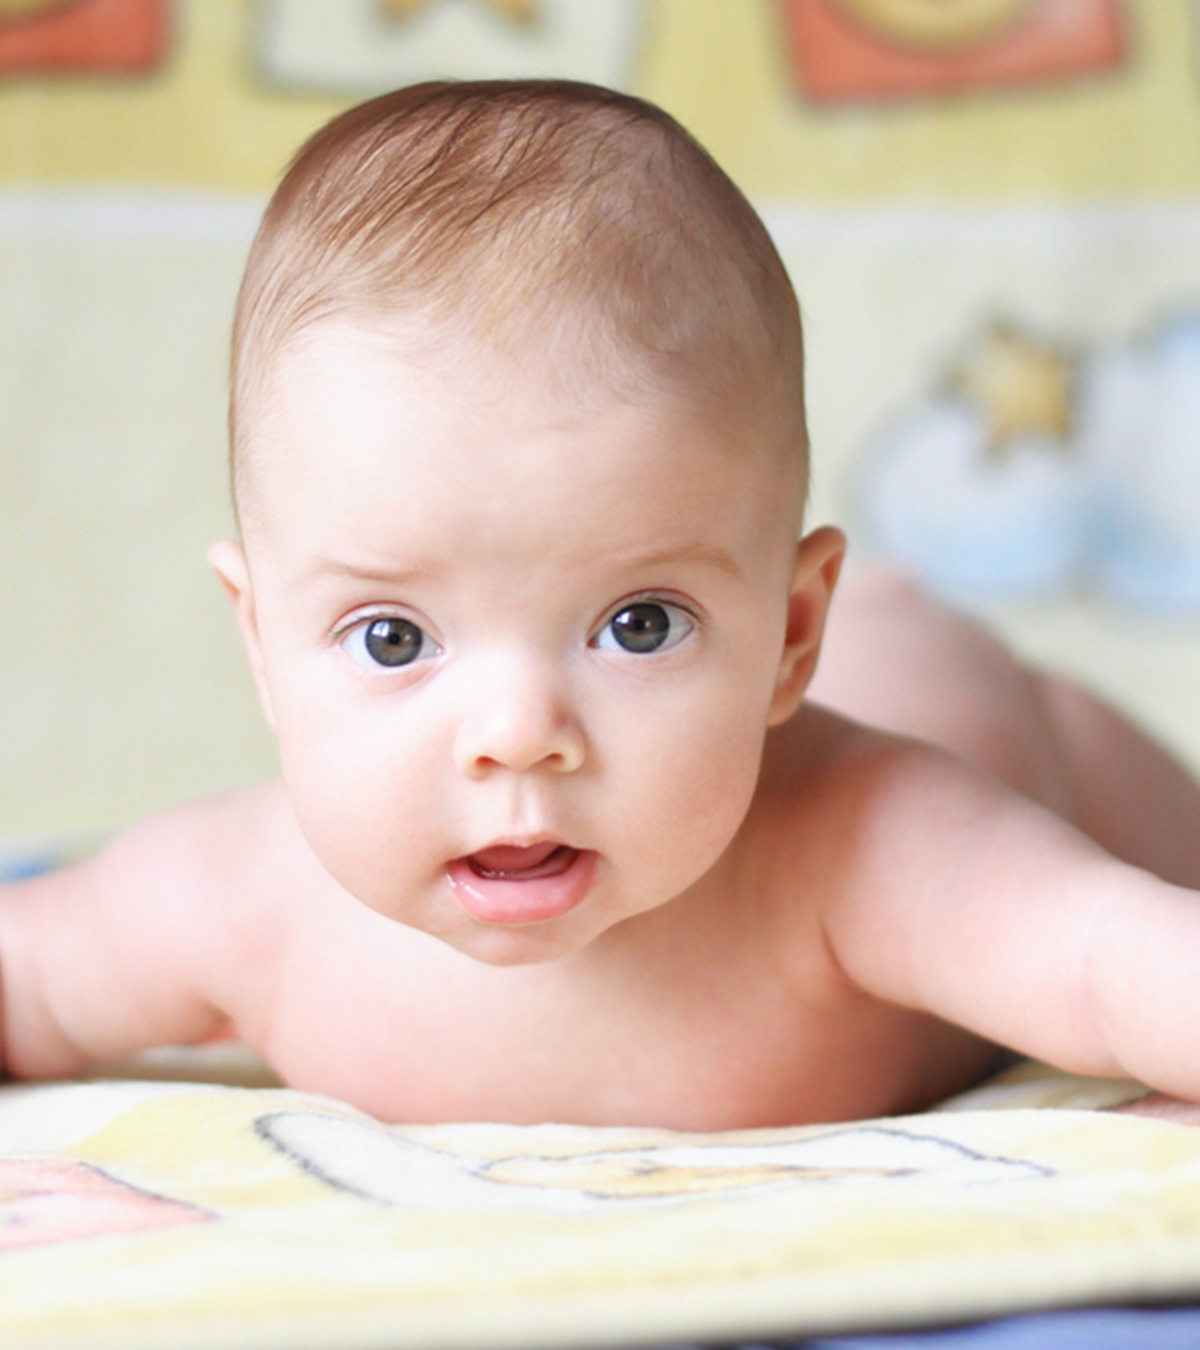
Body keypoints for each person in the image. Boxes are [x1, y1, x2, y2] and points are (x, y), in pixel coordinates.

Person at [3, 79, 1199, 1131]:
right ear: (261, 641)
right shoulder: (234, 900)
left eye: (640, 623)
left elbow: (1107, 963)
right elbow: (30, 974)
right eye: (394, 638)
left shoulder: (862, 846)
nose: (518, 732)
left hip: (975, 710)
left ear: (789, 634)